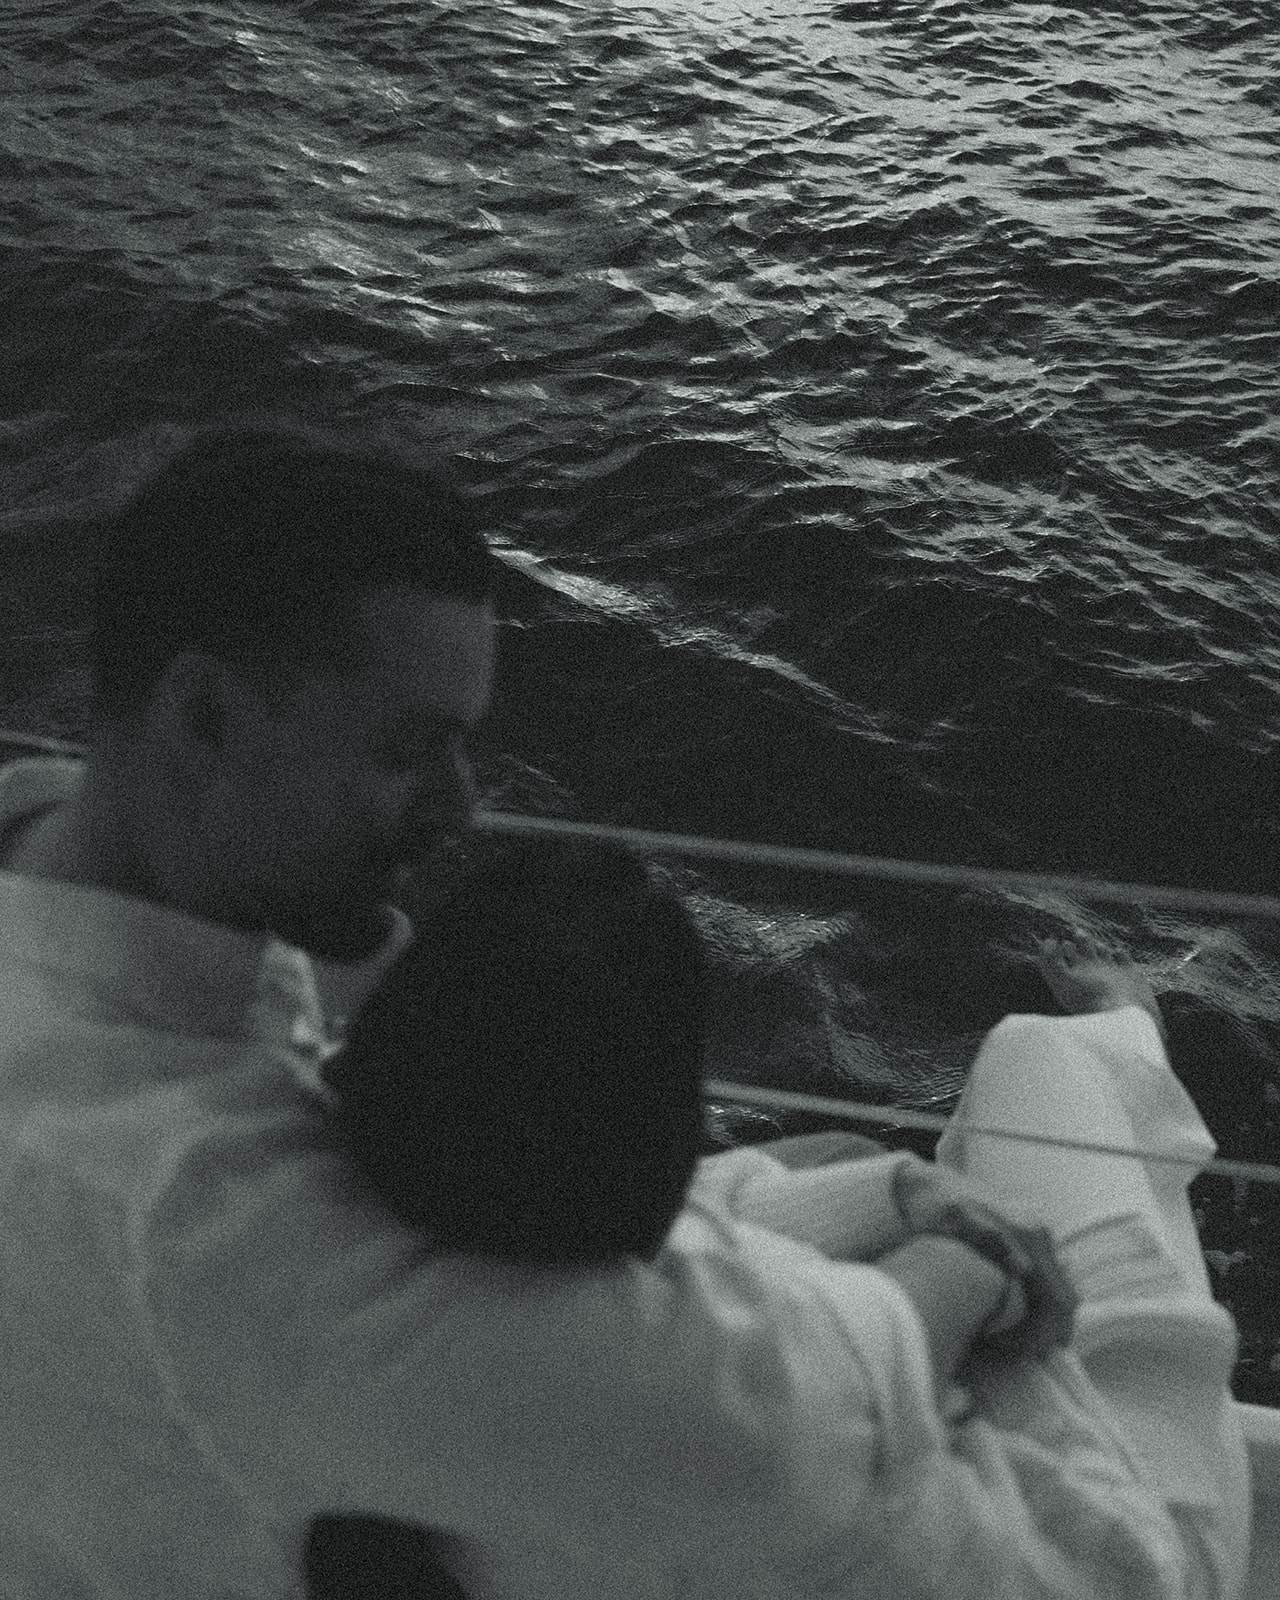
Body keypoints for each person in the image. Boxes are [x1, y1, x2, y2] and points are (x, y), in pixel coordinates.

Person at [0, 418, 1250, 1600]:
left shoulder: (64, 875)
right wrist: (965, 1260)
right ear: (205, 714)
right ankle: (1117, 1036)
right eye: (402, 750)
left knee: (879, 1157)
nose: (460, 810)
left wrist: (886, 1201)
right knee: (1053, 1073)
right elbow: (787, 1422)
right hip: (1108, 1540)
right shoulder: (220, 1229)